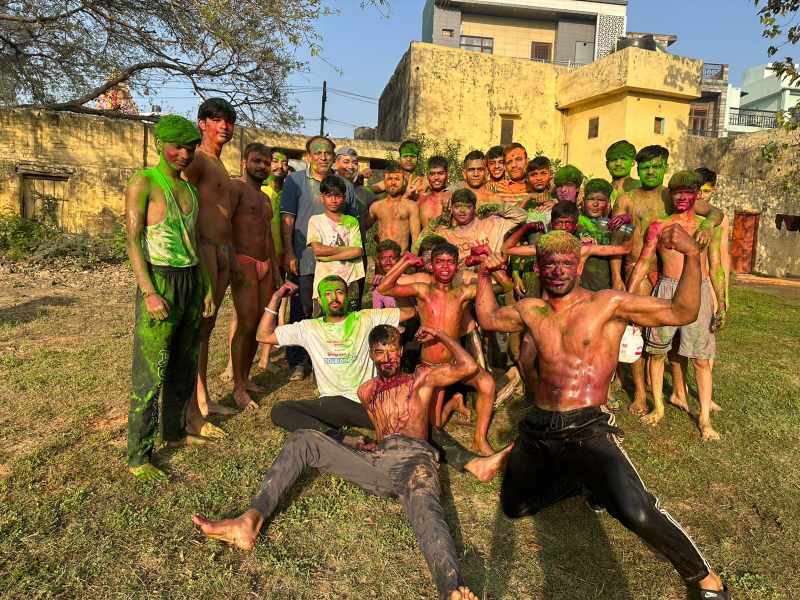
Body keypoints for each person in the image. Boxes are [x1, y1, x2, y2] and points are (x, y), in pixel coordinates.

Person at [474, 230, 730, 600]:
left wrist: (692, 255)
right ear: (539, 268)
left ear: (579, 265)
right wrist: (484, 275)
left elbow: (682, 311)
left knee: (635, 511)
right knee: (514, 506)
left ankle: (707, 580)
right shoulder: (531, 309)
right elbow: (488, 319)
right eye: (550, 264)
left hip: (587, 426)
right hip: (538, 427)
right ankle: (583, 481)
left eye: (566, 263)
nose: (558, 271)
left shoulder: (607, 304)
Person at [193, 323, 513, 600]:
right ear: (371, 355)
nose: (387, 358)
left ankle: (451, 587)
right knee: (304, 438)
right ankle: (249, 522)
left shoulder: (421, 378)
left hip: (415, 459)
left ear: (402, 351)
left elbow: (468, 366)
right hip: (377, 462)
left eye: (393, 350)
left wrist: (441, 335)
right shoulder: (367, 391)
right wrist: (356, 442)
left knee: (426, 513)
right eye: (380, 352)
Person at [125, 115, 216, 482]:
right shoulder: (144, 181)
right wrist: (149, 292)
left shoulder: (190, 190)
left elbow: (195, 244)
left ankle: (175, 432)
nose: (184, 154)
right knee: (151, 372)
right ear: (161, 143)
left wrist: (206, 288)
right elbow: (133, 241)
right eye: (178, 146)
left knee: (184, 362)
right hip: (161, 280)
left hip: (190, 280)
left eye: (190, 148)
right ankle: (139, 455)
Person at [610, 145, 724, 415]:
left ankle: (678, 390)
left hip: (669, 271)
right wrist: (618, 278)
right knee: (639, 329)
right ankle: (641, 392)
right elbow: (616, 238)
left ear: (664, 167)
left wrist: (707, 226)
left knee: (677, 333)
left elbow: (715, 213)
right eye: (645, 167)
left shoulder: (672, 194)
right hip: (639, 268)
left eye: (655, 166)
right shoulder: (627, 198)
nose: (650, 171)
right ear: (638, 169)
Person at [257, 276, 415, 440]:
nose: (334, 298)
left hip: (366, 404)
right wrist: (276, 297)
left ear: (347, 296)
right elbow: (263, 335)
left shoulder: (366, 318)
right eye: (327, 294)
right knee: (280, 410)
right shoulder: (309, 328)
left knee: (410, 415)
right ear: (319, 300)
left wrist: (393, 287)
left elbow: (409, 312)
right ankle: (339, 439)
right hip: (331, 405)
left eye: (339, 292)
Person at [377, 242, 498, 456]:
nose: (445, 267)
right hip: (431, 368)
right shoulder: (423, 290)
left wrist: (488, 262)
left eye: (450, 262)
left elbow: (502, 286)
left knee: (487, 382)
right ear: (431, 265)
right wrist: (405, 262)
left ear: (457, 266)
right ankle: (453, 403)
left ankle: (480, 439)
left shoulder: (463, 293)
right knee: (434, 426)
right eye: (440, 262)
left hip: (456, 365)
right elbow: (384, 288)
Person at [281, 135, 358, 381]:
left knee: (334, 309)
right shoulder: (295, 181)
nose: (323, 157)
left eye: (327, 153)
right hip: (305, 259)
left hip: (338, 266)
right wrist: (289, 252)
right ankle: (298, 361)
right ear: (308, 156)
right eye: (318, 153)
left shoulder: (343, 185)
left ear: (334, 157)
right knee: (303, 310)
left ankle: (326, 360)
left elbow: (353, 224)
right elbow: (288, 220)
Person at [183, 98, 237, 419]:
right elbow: (180, 196)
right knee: (198, 327)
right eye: (217, 120)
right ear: (202, 123)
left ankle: (202, 396)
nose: (224, 126)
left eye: (228, 121)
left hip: (222, 250)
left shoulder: (219, 163)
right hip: (204, 249)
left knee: (208, 327)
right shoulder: (198, 160)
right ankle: (194, 402)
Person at [225, 143, 281, 412]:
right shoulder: (235, 189)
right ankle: (238, 387)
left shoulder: (265, 198)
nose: (262, 166)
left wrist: (276, 270)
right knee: (246, 324)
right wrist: (231, 261)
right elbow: (224, 225)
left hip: (265, 264)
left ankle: (245, 378)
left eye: (266, 163)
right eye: (257, 161)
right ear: (244, 162)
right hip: (244, 262)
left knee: (258, 324)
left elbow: (267, 236)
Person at [307, 175, 365, 315]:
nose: (333, 200)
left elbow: (358, 251)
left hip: (350, 280)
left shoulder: (351, 221)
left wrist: (328, 257)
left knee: (351, 320)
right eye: (329, 196)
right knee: (323, 320)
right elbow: (318, 250)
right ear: (322, 197)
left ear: (344, 198)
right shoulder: (316, 221)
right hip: (324, 280)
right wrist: (346, 251)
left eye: (338, 196)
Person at [426, 188, 526, 264]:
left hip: (493, 277)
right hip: (461, 281)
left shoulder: (492, 223)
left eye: (467, 207)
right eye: (457, 206)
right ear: (451, 208)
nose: (462, 211)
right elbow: (424, 246)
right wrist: (444, 216)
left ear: (474, 208)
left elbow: (521, 216)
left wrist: (492, 207)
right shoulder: (445, 235)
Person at [368, 161, 421, 252]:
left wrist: (413, 257)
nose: (393, 182)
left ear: (403, 182)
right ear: (384, 182)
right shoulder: (376, 206)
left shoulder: (411, 206)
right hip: (383, 257)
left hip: (402, 257)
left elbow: (416, 239)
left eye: (397, 179)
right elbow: (361, 228)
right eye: (389, 179)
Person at [418, 155, 452, 229]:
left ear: (447, 174)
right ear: (428, 176)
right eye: (432, 174)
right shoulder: (421, 199)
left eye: (440, 173)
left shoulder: (453, 198)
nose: (436, 177)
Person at [605, 140, 641, 206]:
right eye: (613, 159)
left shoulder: (641, 187)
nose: (618, 163)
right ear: (607, 164)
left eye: (623, 159)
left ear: (633, 162)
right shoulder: (602, 191)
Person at [372, 239, 402, 309]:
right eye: (383, 258)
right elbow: (377, 313)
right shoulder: (378, 289)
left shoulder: (409, 279)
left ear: (399, 259)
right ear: (379, 261)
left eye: (392, 258)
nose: (388, 262)